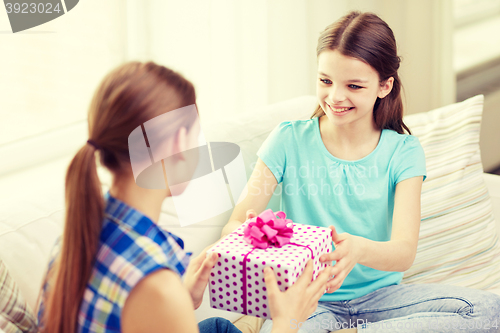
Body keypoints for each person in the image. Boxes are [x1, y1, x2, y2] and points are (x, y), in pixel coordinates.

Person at [221, 11, 500, 333]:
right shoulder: (288, 139)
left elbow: (404, 253)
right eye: (325, 81)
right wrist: (255, 242)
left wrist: (358, 249)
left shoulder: (403, 152)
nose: (335, 97)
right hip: (309, 300)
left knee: (488, 310)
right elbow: (236, 222)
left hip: (383, 299)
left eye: (353, 85)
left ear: (384, 86)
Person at [35, 61, 334, 333]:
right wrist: (288, 321)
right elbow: (150, 301)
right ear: (179, 143)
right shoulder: (156, 288)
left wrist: (183, 296)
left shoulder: (73, 239)